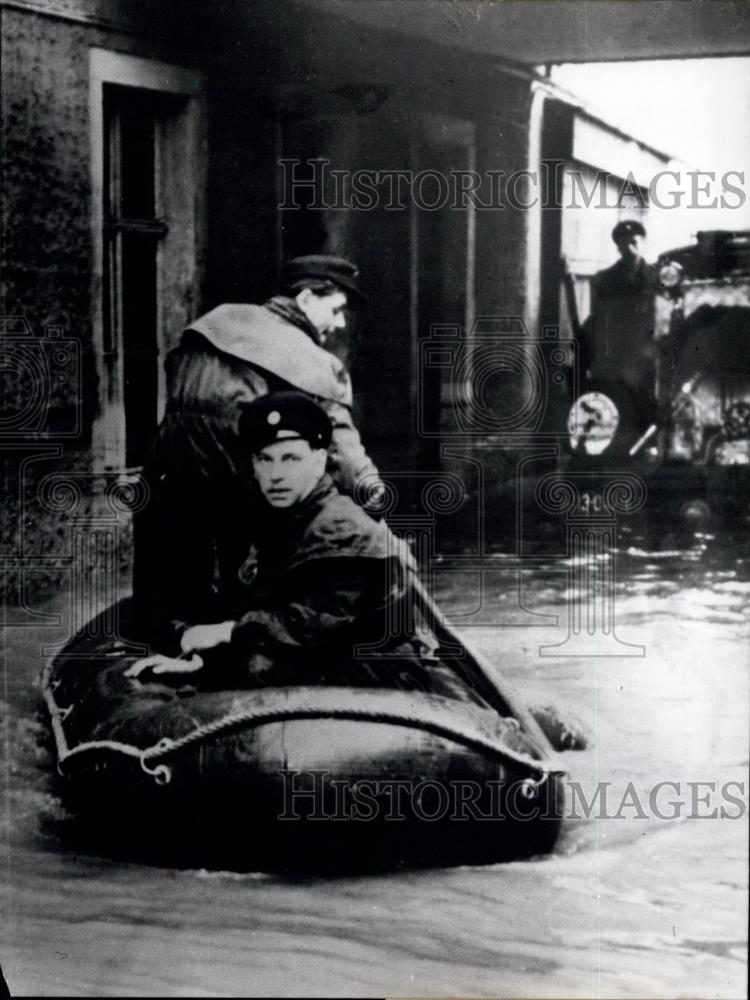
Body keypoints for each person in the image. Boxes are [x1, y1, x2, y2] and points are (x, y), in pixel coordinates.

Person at [126, 392, 469, 698]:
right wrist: (203, 660)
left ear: (319, 460)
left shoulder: (340, 528)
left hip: (381, 678)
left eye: (291, 459)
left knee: (257, 667)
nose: (276, 474)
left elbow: (317, 626)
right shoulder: (287, 520)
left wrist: (229, 633)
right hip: (328, 661)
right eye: (265, 459)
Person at [133, 255, 385, 648]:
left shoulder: (213, 328)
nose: (339, 324)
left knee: (171, 609)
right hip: (242, 489)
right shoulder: (310, 362)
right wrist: (375, 504)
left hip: (165, 484)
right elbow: (343, 457)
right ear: (305, 299)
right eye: (335, 309)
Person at [582, 219, 659, 391]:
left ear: (643, 244)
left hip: (646, 351)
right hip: (618, 352)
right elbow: (600, 319)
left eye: (634, 242)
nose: (630, 247)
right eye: (624, 243)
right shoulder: (604, 279)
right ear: (618, 247)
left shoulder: (657, 277)